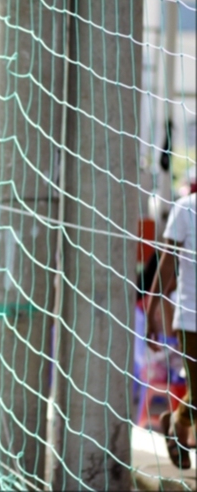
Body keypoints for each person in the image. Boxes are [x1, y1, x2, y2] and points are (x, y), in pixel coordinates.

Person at [146, 183, 196, 470]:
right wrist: (153, 310)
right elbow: (166, 265)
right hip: (191, 321)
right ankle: (179, 422)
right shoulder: (186, 208)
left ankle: (178, 421)